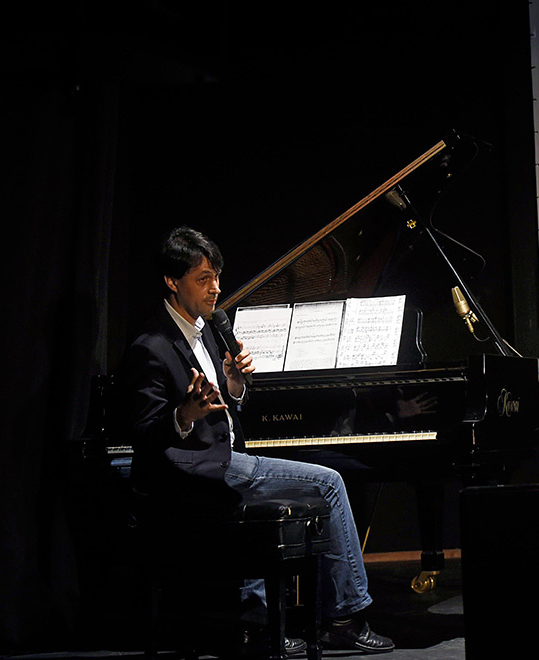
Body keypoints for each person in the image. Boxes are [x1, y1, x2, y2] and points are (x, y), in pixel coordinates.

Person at [119, 226, 394, 654]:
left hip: (226, 458)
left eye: (217, 276)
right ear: (172, 282)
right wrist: (183, 415)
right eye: (203, 278)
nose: (216, 289)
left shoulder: (208, 329)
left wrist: (233, 384)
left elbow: (228, 410)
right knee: (330, 483)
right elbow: (144, 432)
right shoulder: (150, 347)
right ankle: (344, 615)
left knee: (303, 493)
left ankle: (263, 622)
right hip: (198, 470)